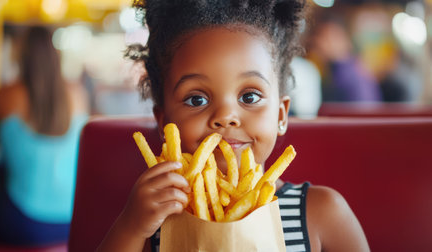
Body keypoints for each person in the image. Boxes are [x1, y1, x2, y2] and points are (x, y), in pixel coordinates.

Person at [98, 1, 369, 251]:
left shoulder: (322, 213)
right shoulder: (152, 218)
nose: (226, 116)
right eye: (197, 99)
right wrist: (131, 227)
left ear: (281, 115)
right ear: (164, 122)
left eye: (249, 97)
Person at [0, 26, 88, 245]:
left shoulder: (6, 94)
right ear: (55, 55)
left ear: (21, 55)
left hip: (22, 219)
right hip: (71, 219)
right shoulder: (77, 94)